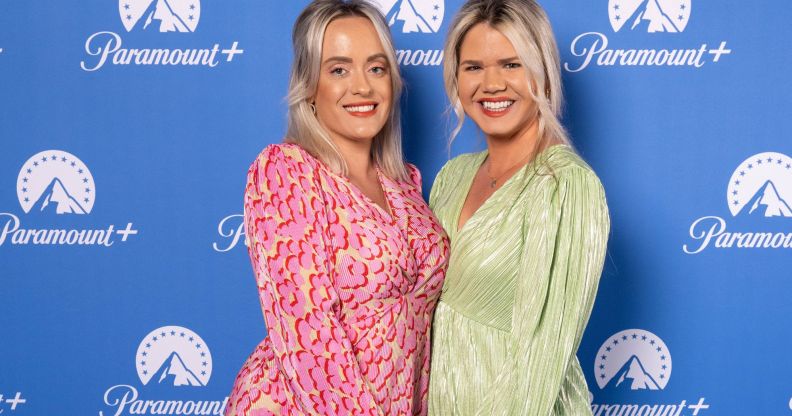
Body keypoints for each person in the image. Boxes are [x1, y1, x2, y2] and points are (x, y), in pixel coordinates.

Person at [225, 1, 448, 415]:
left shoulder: (406, 183)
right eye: (339, 69)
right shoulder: (286, 171)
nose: (362, 87)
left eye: (376, 68)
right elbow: (308, 333)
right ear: (309, 86)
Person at [427, 0, 609, 414]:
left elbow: (541, 356)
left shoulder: (566, 185)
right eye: (474, 67)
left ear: (541, 72)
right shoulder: (451, 177)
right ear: (455, 78)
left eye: (511, 64)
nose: (491, 84)